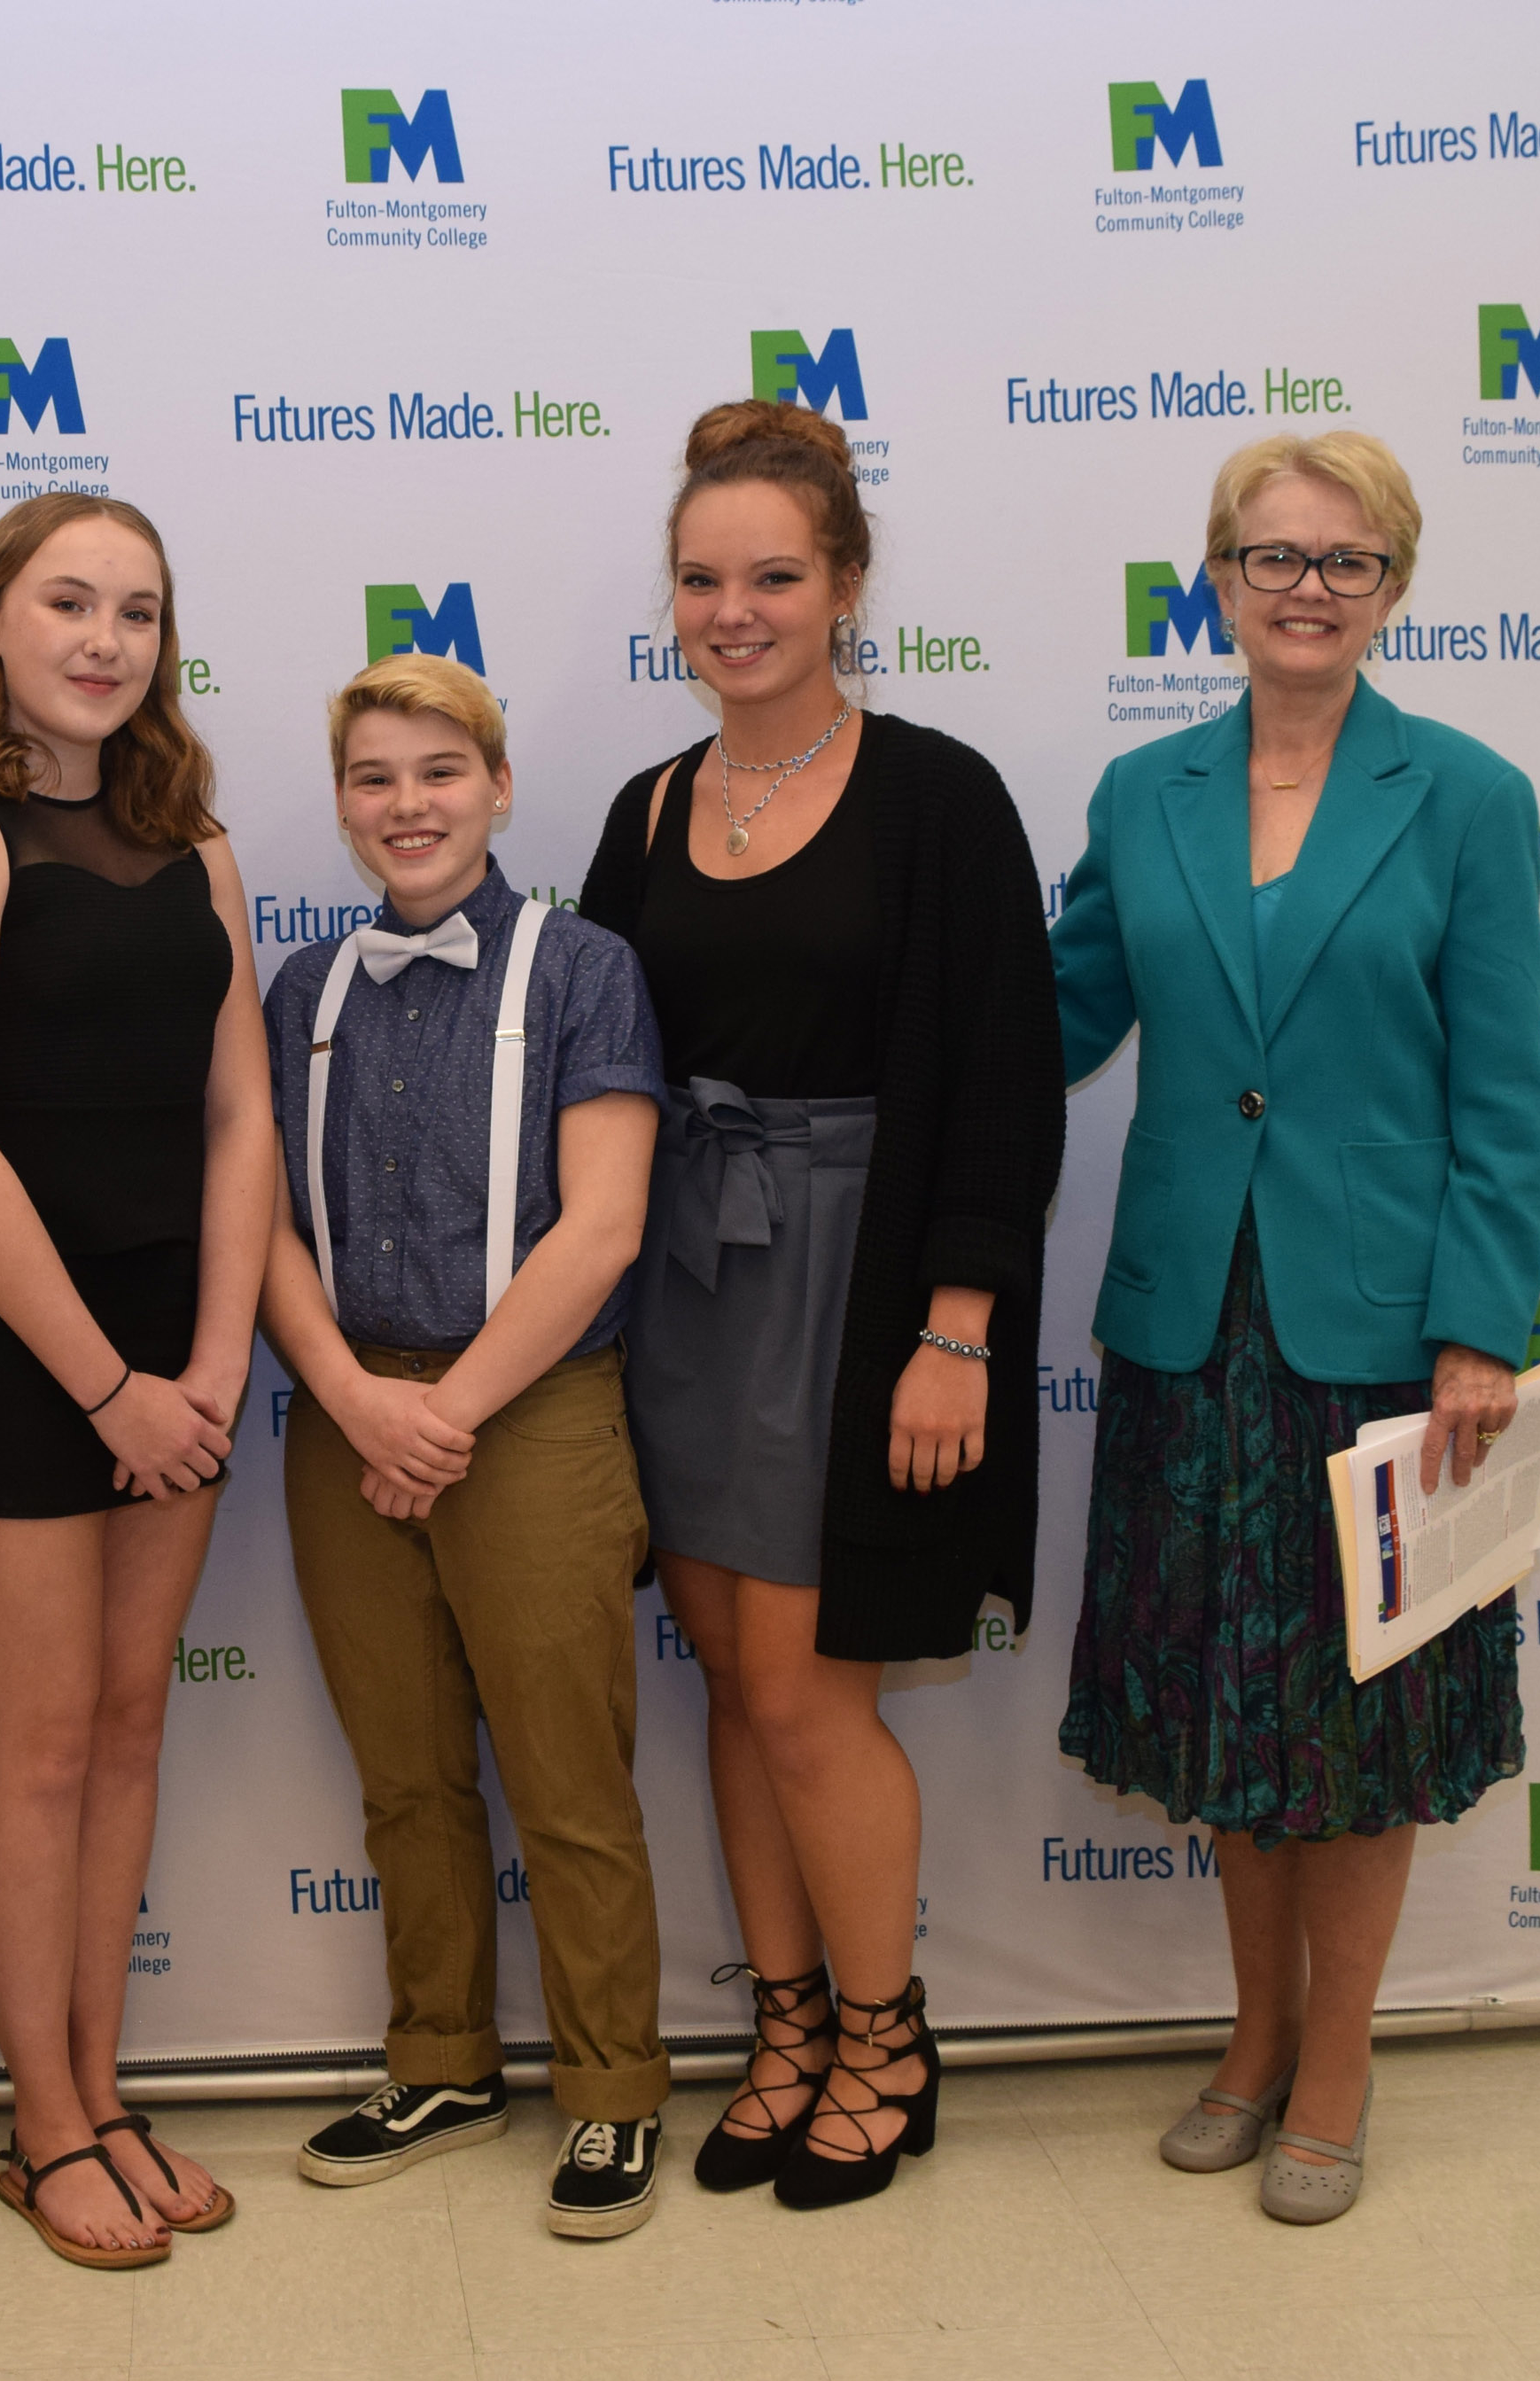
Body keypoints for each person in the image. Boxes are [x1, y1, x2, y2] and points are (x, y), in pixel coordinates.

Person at [1053, 432, 1540, 2224]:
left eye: (1343, 559)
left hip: (1375, 1328)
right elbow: (1054, 1010)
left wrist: (1476, 1322)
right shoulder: (1141, 791)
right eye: (1271, 557)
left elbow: (1501, 1090)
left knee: (1358, 1724)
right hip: (1187, 1320)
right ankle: (1249, 2041)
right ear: (1219, 576)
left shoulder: (1467, 794)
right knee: (1216, 1710)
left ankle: (1331, 2066)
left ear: (1390, 582)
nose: (1306, 586)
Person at [579, 400, 1063, 2209]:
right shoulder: (641, 806)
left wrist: (958, 1328)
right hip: (686, 1273)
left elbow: (1004, 1087)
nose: (733, 609)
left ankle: (884, 2035)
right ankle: (782, 2029)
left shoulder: (937, 795)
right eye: (701, 578)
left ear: (844, 584)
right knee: (722, 1671)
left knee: (803, 1689)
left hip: (857, 1288)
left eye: (772, 574)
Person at [0, 495, 273, 2270]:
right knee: (36, 1741)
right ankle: (39, 2128)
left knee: (125, 1723)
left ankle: (104, 2089)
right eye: (66, 602)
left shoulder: (193, 835)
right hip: (18, 1349)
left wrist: (211, 1352)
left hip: (174, 1356)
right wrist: (107, 1381)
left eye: (136, 611)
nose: (103, 639)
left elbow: (239, 1110)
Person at [261, 654, 673, 2237]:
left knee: (568, 1774)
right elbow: (269, 1227)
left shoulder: (583, 973)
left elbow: (603, 1226)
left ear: (499, 789)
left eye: (441, 772)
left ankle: (613, 2088)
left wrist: (442, 1415)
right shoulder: (300, 992)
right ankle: (439, 2057)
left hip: (533, 1410)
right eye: (375, 778)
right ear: (346, 804)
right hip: (348, 1412)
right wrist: (361, 1400)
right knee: (407, 1774)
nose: (407, 804)